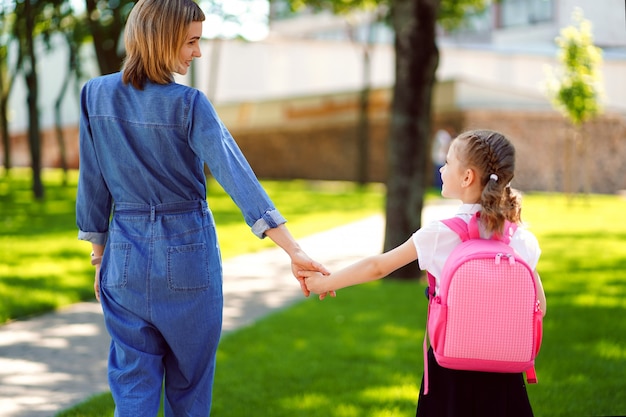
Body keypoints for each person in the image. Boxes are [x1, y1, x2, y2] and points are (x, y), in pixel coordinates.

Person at [75, 1, 328, 415]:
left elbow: (93, 183)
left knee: (133, 388)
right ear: (162, 39)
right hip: (187, 257)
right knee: (189, 392)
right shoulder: (189, 104)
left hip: (123, 260)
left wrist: (99, 254)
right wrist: (293, 249)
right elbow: (237, 176)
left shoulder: (94, 94)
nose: (197, 52)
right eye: (191, 41)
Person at [301, 129, 547, 417]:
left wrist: (324, 283)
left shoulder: (441, 234)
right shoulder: (521, 239)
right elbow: (539, 307)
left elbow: (377, 266)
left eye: (447, 162)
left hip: (450, 370)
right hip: (505, 374)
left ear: (466, 177)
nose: (441, 168)